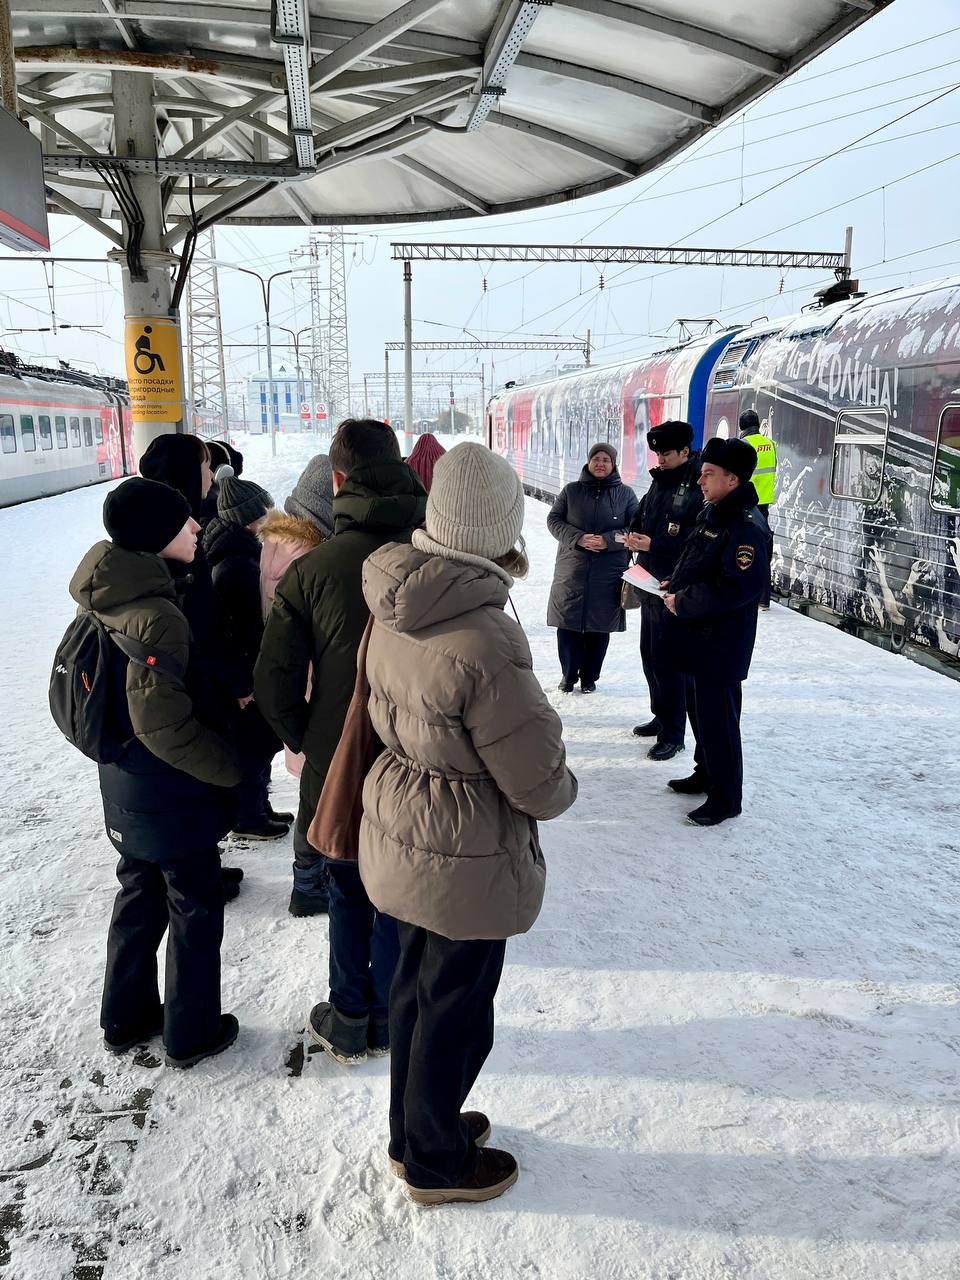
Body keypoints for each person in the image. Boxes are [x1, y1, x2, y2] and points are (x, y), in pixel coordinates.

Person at [359, 443, 577, 1205]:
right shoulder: (484, 636)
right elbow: (536, 779)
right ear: (498, 529)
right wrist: (564, 783)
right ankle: (436, 1161)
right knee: (456, 1010)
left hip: (401, 825)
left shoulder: (394, 598)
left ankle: (413, 1131)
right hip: (465, 847)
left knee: (415, 991)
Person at [254, 419, 426, 1042]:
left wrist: (307, 737)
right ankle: (395, 1012)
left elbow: (273, 681)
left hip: (338, 756)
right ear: (402, 467)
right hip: (418, 752)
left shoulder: (312, 569)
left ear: (336, 480)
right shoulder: (435, 556)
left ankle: (351, 1017)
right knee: (401, 889)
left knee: (348, 884)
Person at [69, 477, 242, 1068]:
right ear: (154, 537)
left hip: (124, 781)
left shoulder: (106, 590)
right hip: (169, 791)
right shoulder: (156, 615)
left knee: (138, 895)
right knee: (194, 904)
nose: (196, 526)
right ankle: (192, 1033)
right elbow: (163, 727)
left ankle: (125, 1016)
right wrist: (228, 769)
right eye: (181, 522)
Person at [139, 432, 246, 897]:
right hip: (186, 681)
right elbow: (205, 621)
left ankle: (198, 863)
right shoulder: (178, 533)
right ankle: (196, 872)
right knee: (191, 779)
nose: (211, 475)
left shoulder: (152, 523)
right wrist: (236, 680)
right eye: (205, 466)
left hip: (176, 679)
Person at [662, 436, 770, 826]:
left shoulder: (745, 527)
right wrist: (673, 584)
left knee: (719, 721)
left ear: (733, 480)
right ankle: (706, 772)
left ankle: (726, 798)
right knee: (701, 713)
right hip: (700, 637)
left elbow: (737, 587)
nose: (700, 481)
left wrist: (684, 601)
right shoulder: (717, 513)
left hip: (720, 644)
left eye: (708, 474)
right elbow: (698, 562)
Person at [203, 466, 290, 841]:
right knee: (252, 746)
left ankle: (258, 807)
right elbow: (236, 631)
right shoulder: (236, 566)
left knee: (258, 743)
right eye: (264, 513)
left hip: (249, 668)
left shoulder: (238, 552)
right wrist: (243, 683)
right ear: (247, 519)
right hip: (246, 672)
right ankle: (248, 817)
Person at [624, 421, 703, 761]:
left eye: (666, 453)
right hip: (650, 583)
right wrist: (633, 533)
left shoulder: (697, 487)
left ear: (685, 451)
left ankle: (674, 733)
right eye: (657, 453)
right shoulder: (660, 482)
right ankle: (661, 715)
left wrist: (653, 544)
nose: (660, 459)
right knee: (651, 656)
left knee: (671, 663)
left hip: (675, 588)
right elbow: (642, 516)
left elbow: (696, 541)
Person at [546, 442, 639, 693]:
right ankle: (568, 675)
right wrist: (578, 538)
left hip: (608, 573)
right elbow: (553, 520)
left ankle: (589, 677)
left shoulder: (626, 495)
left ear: (613, 465)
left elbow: (636, 528)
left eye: (606, 460)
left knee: (599, 628)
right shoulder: (571, 491)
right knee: (568, 625)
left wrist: (608, 541)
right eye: (596, 459)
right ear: (588, 462)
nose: (600, 464)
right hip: (572, 569)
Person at [738, 409, 777, 609]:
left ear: (742, 427)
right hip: (764, 506)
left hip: (746, 505)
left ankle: (746, 596)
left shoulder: (743, 445)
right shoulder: (770, 445)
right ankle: (763, 599)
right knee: (762, 550)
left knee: (744, 552)